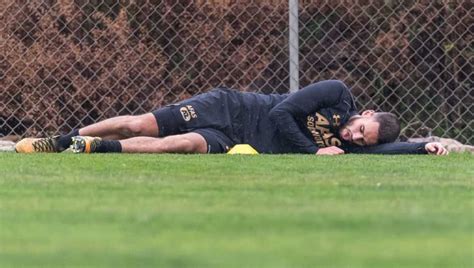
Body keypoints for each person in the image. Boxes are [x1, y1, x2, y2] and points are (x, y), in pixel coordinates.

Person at [15, 80, 448, 155]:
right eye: (359, 129)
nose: (352, 137)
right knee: (139, 124)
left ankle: (88, 147)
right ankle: (64, 137)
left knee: (179, 146)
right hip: (230, 107)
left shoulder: (347, 149)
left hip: (231, 136)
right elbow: (281, 113)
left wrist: (423, 146)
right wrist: (316, 148)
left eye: (360, 141)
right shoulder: (336, 95)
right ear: (363, 112)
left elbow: (384, 151)